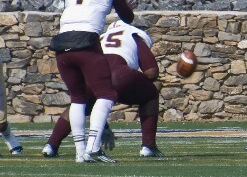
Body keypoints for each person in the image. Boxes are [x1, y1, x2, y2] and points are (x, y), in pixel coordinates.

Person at [51, 0, 134, 163]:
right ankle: (93, 148)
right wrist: (128, 11)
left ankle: (80, 153)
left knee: (77, 99)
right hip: (86, 41)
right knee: (107, 94)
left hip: (62, 43)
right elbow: (126, 15)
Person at [43, 20, 163, 158]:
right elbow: (152, 71)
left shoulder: (100, 37)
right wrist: (137, 81)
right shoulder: (133, 35)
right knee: (151, 94)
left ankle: (51, 145)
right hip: (120, 74)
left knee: (79, 103)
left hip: (92, 77)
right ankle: (148, 146)